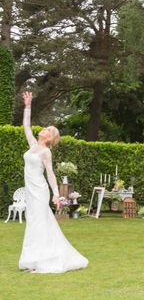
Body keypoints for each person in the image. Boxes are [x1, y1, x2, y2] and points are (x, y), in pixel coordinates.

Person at [19, 92, 89, 273]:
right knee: (33, 223)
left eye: (48, 130)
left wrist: (56, 195)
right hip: (30, 191)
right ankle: (33, 260)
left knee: (40, 224)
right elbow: (26, 126)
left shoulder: (45, 152)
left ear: (49, 138)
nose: (43, 129)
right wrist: (28, 105)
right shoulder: (33, 145)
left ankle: (44, 261)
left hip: (40, 192)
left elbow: (50, 174)